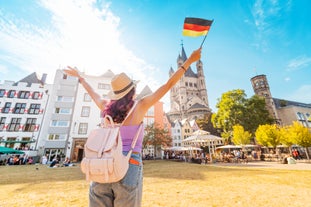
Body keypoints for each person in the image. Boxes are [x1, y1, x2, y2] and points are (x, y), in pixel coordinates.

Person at [63, 47, 201, 207]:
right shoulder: (140, 106)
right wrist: (190, 60)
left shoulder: (105, 106)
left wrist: (80, 77)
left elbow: (92, 92)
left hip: (102, 165)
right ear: (132, 90)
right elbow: (169, 84)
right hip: (129, 165)